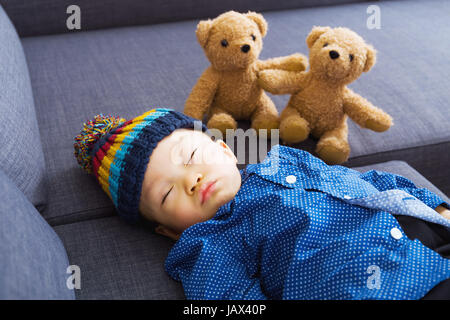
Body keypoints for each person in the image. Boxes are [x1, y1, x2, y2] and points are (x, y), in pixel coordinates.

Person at [74, 108, 450, 299]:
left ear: (223, 147)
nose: (192, 179)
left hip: (423, 228)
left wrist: (436, 206)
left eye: (190, 156)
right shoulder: (209, 243)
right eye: (167, 194)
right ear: (169, 230)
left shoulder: (282, 158)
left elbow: (367, 181)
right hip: (383, 286)